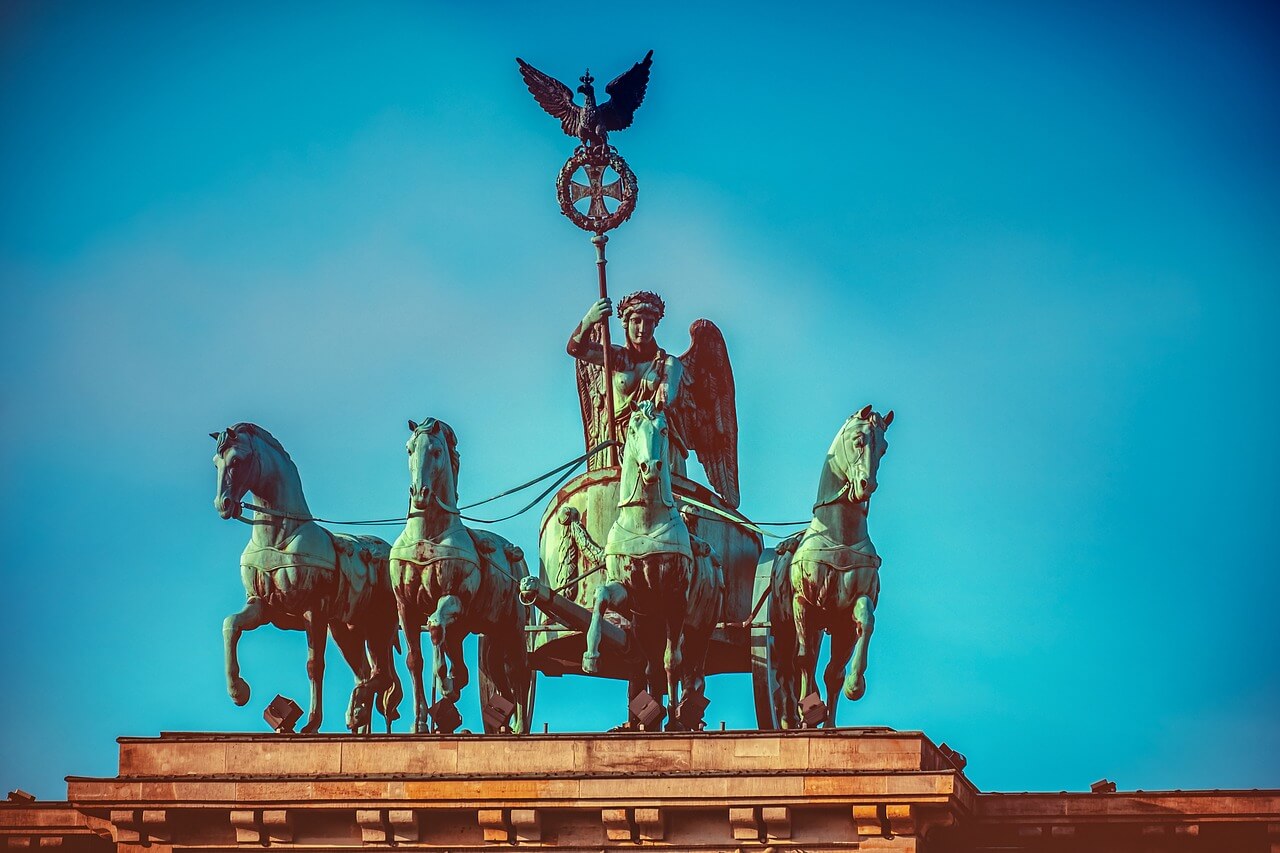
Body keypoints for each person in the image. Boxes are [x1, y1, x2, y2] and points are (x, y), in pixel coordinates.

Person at [567, 291, 691, 478]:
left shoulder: (668, 364)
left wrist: (658, 400)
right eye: (637, 321)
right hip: (619, 442)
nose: (643, 328)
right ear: (626, 323)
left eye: (649, 322)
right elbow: (575, 349)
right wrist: (590, 319)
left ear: (656, 324)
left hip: (654, 443)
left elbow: (664, 401)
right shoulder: (614, 358)